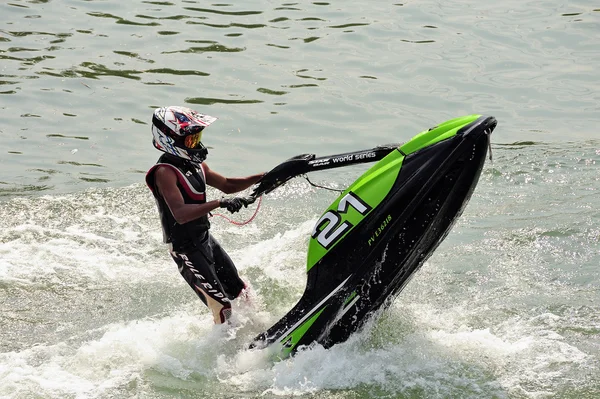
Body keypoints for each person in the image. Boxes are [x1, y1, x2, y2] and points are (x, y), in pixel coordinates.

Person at [145, 106, 264, 324]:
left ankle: (263, 328)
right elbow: (180, 214)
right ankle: (227, 354)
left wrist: (264, 177)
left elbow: (227, 184)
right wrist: (219, 203)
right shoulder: (165, 172)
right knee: (222, 307)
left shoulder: (196, 163)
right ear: (170, 140)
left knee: (240, 291)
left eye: (196, 137)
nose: (195, 143)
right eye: (190, 139)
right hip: (185, 250)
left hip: (204, 238)